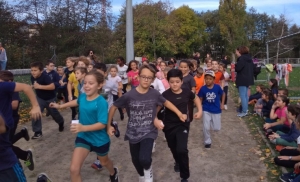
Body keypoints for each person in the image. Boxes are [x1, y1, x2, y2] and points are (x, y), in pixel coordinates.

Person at [107, 65, 187, 182]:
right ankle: (141, 175)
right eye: (143, 76)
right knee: (135, 160)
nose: (146, 79)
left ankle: (148, 172)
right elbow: (114, 107)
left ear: (153, 79)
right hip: (133, 132)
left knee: (144, 158)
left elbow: (166, 103)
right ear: (138, 77)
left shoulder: (155, 94)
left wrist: (179, 113)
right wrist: (109, 125)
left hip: (149, 131)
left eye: (149, 78)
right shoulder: (129, 95)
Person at [50, 70, 119, 182]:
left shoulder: (101, 102)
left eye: (91, 83)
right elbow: (77, 102)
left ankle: (113, 172)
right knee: (74, 169)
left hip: (99, 139)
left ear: (100, 85)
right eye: (85, 83)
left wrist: (82, 127)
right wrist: (60, 106)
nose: (86, 86)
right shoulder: (83, 97)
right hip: (84, 137)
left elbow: (102, 124)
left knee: (104, 162)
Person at [163, 69, 202, 182]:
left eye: (177, 81)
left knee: (182, 149)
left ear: (181, 81)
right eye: (172, 82)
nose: (174, 84)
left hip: (183, 124)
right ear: (168, 81)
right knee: (173, 147)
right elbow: (158, 107)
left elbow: (196, 99)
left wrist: (200, 111)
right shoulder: (165, 95)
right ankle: (177, 161)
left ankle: (184, 176)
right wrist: (155, 119)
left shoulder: (187, 92)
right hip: (168, 126)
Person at [0, 75, 41, 182]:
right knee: (8, 145)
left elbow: (26, 87)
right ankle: (23, 134)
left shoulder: (4, 86)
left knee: (7, 146)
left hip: (7, 125)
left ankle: (26, 155)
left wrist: (36, 106)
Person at [30, 62, 65, 139]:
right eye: (32, 70)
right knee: (36, 113)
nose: (33, 72)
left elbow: (52, 87)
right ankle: (38, 132)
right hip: (40, 98)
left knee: (54, 114)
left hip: (50, 99)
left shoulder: (45, 77)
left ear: (41, 71)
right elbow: (35, 85)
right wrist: (32, 86)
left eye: (35, 70)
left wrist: (39, 86)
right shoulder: (32, 77)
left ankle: (61, 122)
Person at [198, 70, 225, 149]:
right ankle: (207, 142)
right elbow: (200, 98)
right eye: (206, 79)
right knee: (206, 127)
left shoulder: (217, 87)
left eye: (210, 79)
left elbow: (223, 94)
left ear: (213, 79)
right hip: (206, 109)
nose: (208, 80)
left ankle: (213, 125)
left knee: (216, 128)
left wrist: (222, 104)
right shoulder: (203, 89)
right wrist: (200, 109)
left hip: (216, 110)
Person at [235, 46, 254, 117]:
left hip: (242, 79)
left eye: (236, 52)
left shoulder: (242, 59)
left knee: (242, 95)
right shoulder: (249, 58)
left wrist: (235, 65)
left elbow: (238, 68)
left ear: (240, 51)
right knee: (246, 95)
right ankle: (245, 109)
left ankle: (244, 111)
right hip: (248, 79)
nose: (236, 53)